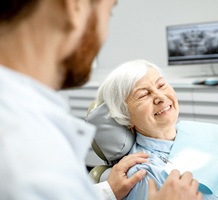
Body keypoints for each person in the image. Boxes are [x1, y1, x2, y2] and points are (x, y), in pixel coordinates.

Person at [0, 1, 202, 200]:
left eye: (160, 85)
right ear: (75, 6)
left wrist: (106, 192)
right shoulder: (23, 149)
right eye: (110, 11)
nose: (104, 33)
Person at [95, 59, 218, 200]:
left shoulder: (209, 130)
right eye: (143, 95)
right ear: (126, 117)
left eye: (161, 84)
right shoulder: (142, 174)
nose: (160, 96)